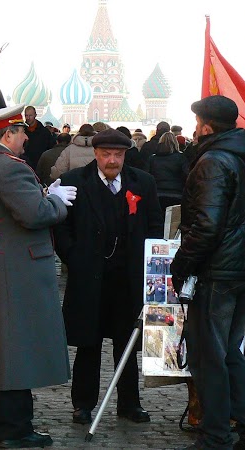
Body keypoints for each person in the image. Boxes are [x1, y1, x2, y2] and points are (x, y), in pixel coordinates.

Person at [0, 103, 76, 448]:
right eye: (21, 132)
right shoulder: (11, 170)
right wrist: (55, 201)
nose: (26, 138)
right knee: (15, 347)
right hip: (16, 263)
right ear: (7, 135)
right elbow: (34, 214)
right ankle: (14, 428)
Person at [171, 95, 245, 450]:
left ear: (207, 127)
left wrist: (181, 264)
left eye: (197, 123)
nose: (195, 129)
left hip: (219, 272)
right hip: (244, 269)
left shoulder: (213, 161)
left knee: (209, 356)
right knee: (229, 352)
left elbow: (207, 226)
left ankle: (215, 436)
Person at [53, 128, 163, 426]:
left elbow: (154, 226)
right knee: (88, 343)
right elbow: (61, 228)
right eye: (106, 155)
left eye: (118, 155)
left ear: (125, 155)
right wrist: (74, 258)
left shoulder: (143, 182)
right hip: (89, 276)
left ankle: (129, 403)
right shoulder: (75, 181)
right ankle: (83, 404)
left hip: (127, 278)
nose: (112, 161)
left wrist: (146, 264)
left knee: (126, 342)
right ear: (96, 154)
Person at [147, 131, 188, 212]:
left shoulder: (153, 158)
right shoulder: (181, 158)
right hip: (176, 195)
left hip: (157, 194)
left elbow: (147, 175)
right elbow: (186, 175)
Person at [22, 105, 55, 171]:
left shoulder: (44, 132)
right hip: (25, 166)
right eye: (26, 115)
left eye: (30, 115)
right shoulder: (22, 131)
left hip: (40, 166)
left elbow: (50, 148)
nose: (28, 118)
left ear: (35, 115)